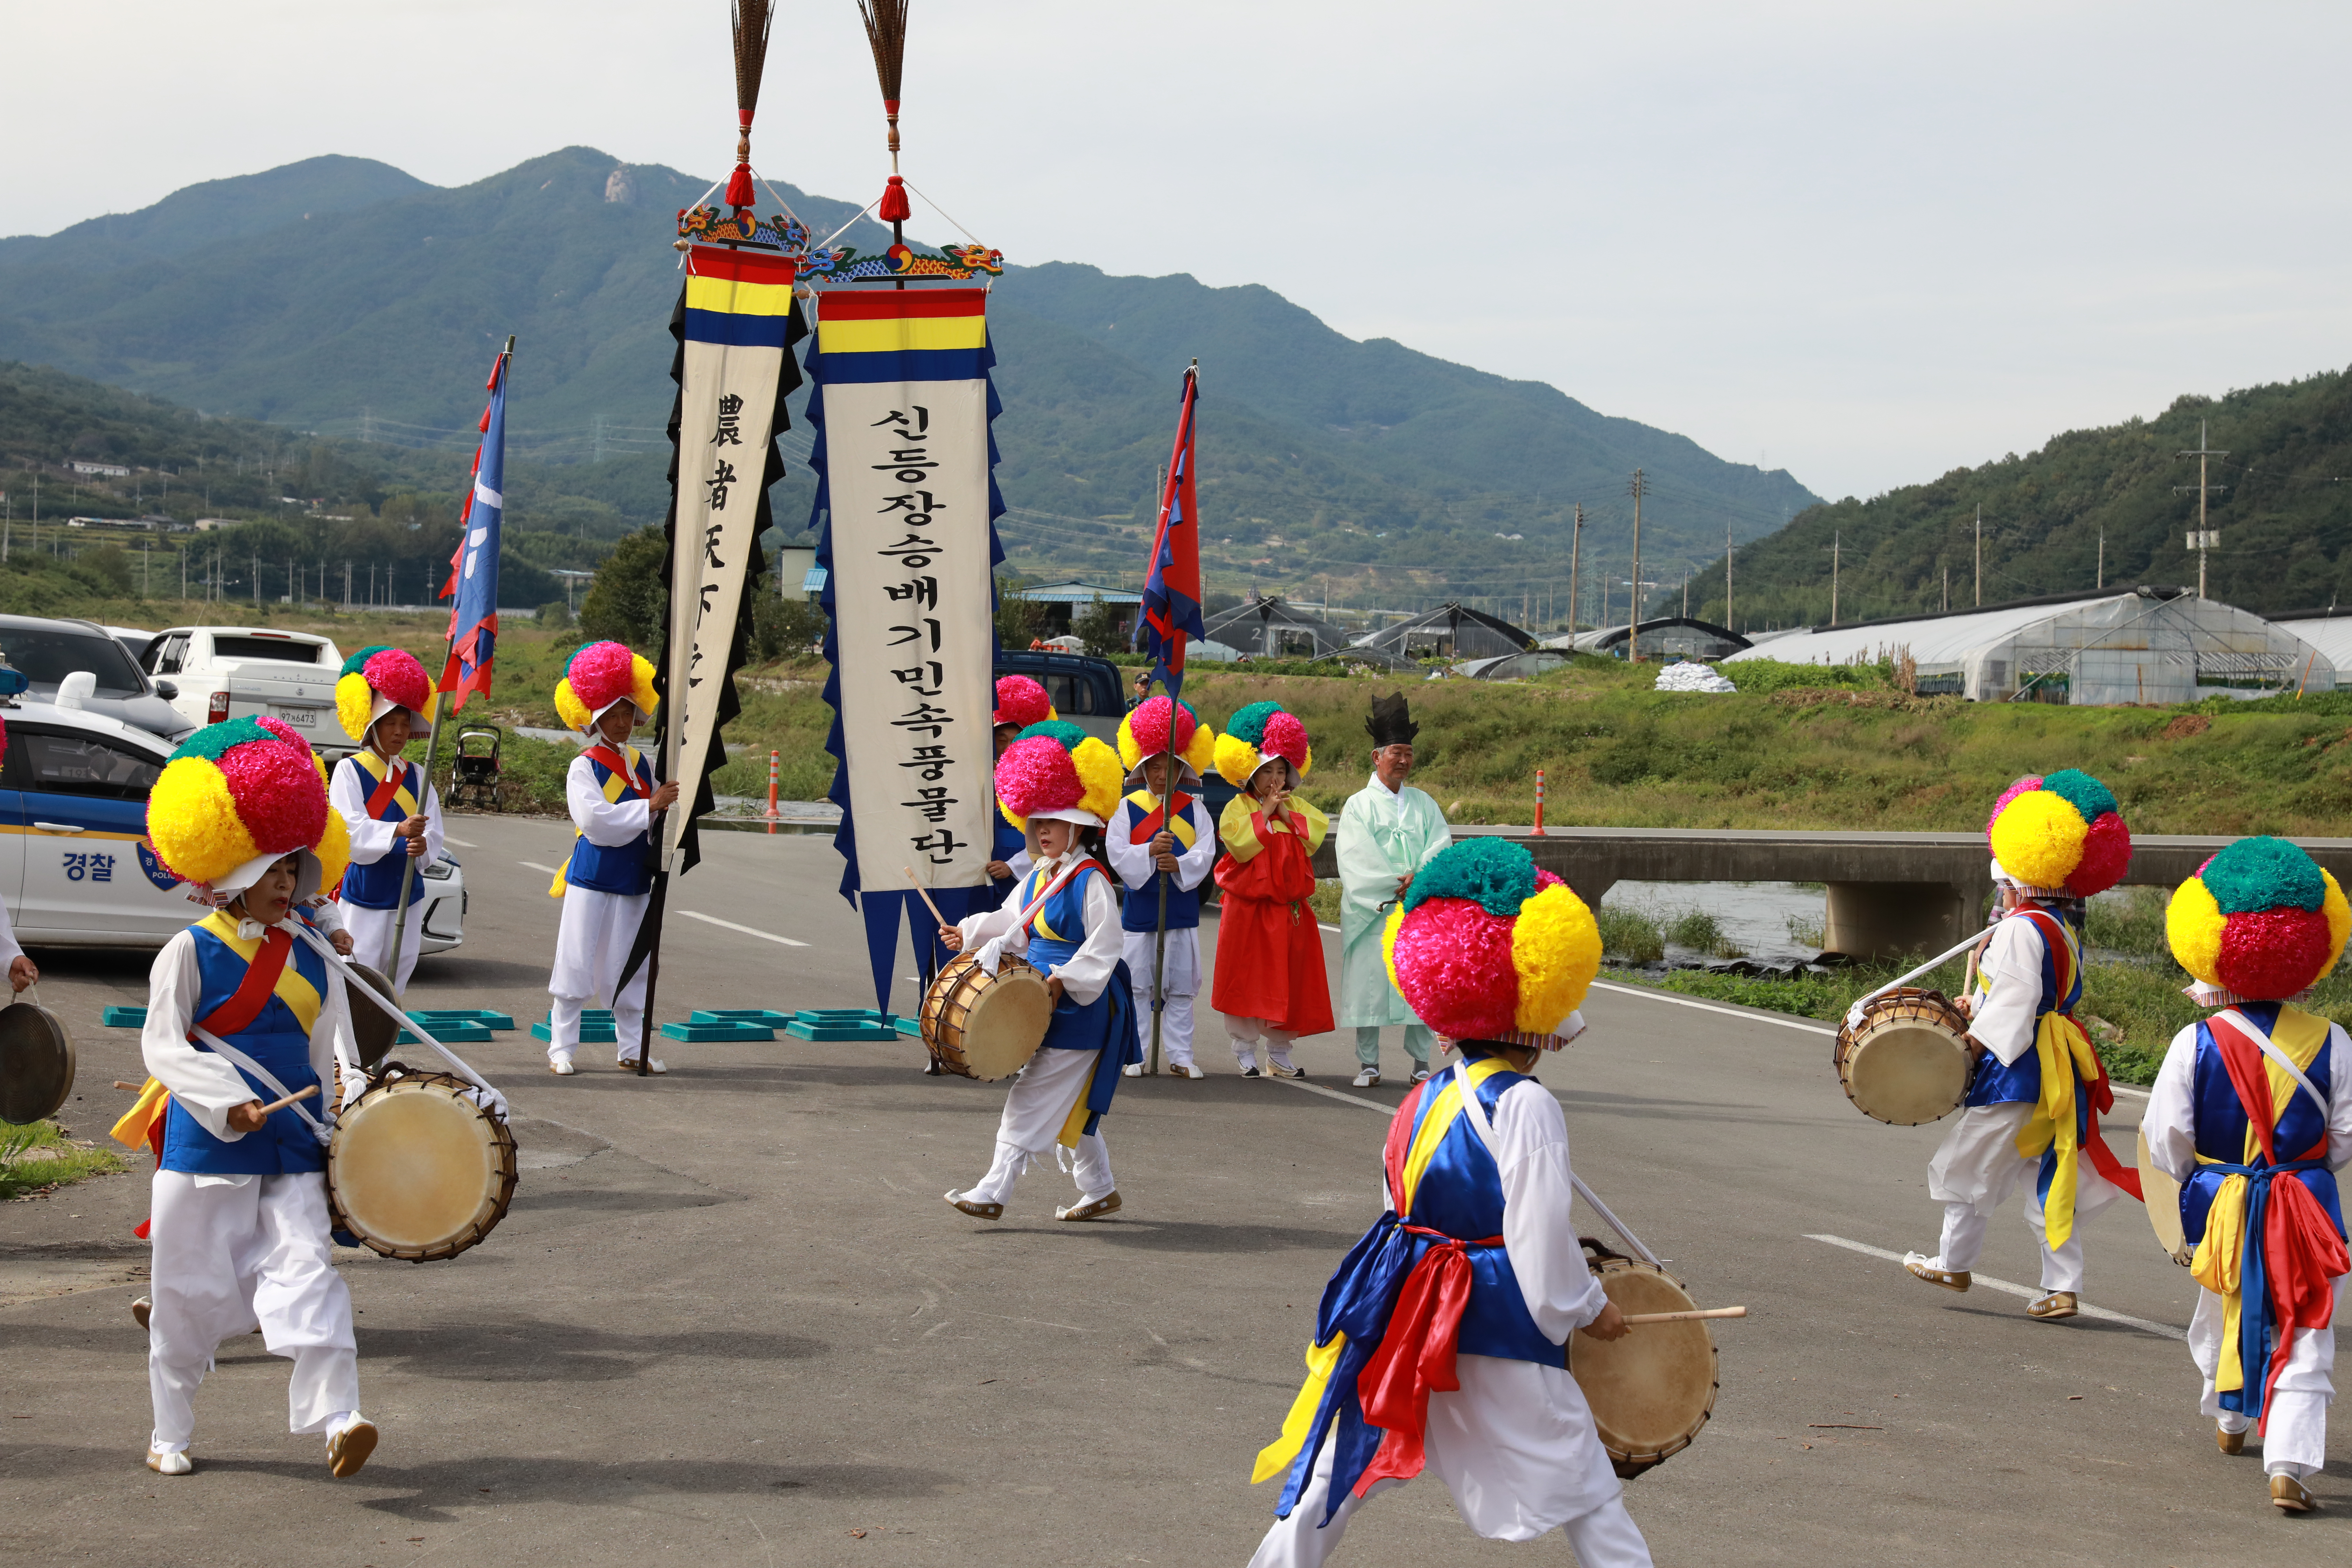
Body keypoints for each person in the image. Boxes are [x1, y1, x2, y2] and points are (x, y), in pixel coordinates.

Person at [1246, 837, 1650, 1567]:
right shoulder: (1525, 1102)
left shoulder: (1423, 1095)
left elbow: (1396, 1199)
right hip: (1490, 1310)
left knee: (1347, 1463)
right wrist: (1590, 1306)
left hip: (1406, 1303)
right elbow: (1536, 1234)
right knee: (1586, 1481)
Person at [124, 715, 373, 1479]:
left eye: (293, 871)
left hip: (292, 1140)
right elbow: (162, 1046)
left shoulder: (310, 957)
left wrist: (346, 1110)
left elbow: (330, 1046)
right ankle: (170, 1429)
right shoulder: (188, 949)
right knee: (188, 1294)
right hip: (207, 1145)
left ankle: (341, 1416)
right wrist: (224, 1099)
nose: (287, 884)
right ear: (234, 875)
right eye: (273, 871)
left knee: (309, 1270)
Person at [2142, 836, 2352, 1513]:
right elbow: (2345, 1136)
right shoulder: (2336, 1040)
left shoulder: (2193, 1040)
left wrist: (2199, 1182)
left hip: (2224, 1197)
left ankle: (2232, 1416)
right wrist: (2304, 1170)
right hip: (2307, 1201)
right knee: (2307, 1320)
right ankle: (2289, 1464)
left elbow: (2167, 1137)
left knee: (2222, 1305)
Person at [1904, 771, 2137, 1319]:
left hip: (2020, 1070)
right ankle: (2062, 1286)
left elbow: (2014, 1004)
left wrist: (1970, 1045)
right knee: (2047, 1175)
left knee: (1969, 1165)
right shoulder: (2060, 926)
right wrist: (1978, 1007)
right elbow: (2031, 996)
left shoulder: (2015, 929)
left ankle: (1953, 1262)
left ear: (2015, 884)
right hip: (2058, 1066)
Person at [942, 720, 1141, 1222]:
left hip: (1080, 1005)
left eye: (1055, 821)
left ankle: (994, 1190)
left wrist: (1062, 980)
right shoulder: (1041, 875)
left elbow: (1107, 945)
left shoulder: (1091, 879)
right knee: (1067, 1104)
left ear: (1079, 827)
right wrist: (968, 933)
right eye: (1039, 822)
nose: (1043, 830)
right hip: (1043, 997)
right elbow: (1012, 920)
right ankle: (1099, 1187)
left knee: (1032, 1095)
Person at [542, 642, 679, 1076]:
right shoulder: (583, 766)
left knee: (629, 965)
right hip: (593, 875)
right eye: (611, 716)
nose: (621, 723)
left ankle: (631, 1048)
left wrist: (667, 814)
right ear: (595, 720)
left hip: (635, 877)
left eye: (627, 714)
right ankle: (561, 1048)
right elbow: (596, 823)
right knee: (577, 960)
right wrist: (652, 806)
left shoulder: (645, 764)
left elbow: (660, 819)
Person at [1211, 702, 1333, 1078]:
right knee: (1247, 981)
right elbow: (1239, 845)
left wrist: (1283, 814)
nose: (1276, 779)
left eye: (1283, 770)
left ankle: (1279, 1052)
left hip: (1290, 910)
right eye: (1268, 771)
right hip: (1249, 909)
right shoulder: (1238, 807)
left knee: (1290, 982)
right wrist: (1264, 813)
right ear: (1252, 772)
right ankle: (1245, 1049)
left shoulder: (1295, 806)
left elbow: (1316, 834)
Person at [1335, 693, 1452, 1087]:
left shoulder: (1425, 804)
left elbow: (1440, 847)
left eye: (1408, 753)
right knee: (1370, 986)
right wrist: (1393, 884)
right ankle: (1369, 1064)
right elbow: (1355, 856)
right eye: (1396, 752)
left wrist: (1420, 878)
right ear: (1376, 757)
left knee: (1419, 985)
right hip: (1374, 910)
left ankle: (1421, 1062)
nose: (1403, 760)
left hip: (1416, 909)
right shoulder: (1358, 806)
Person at [1106, 696, 1218, 1078]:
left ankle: (1181, 1055)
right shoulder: (1128, 807)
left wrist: (1180, 865)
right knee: (1138, 985)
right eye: (1153, 767)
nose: (1160, 775)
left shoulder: (1195, 808)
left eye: (1167, 767)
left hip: (1181, 912)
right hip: (1141, 911)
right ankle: (1136, 1054)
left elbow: (1207, 851)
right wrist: (1150, 853)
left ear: (1179, 769)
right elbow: (1116, 852)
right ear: (1143, 769)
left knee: (1182, 987)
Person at [329, 645, 444, 992]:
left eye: (405, 723)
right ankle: (350, 1045)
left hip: (408, 889)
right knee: (358, 971)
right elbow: (348, 828)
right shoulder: (349, 770)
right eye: (390, 723)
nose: (399, 731)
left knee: (400, 970)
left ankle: (385, 1045)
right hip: (366, 886)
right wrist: (397, 829)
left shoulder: (419, 775)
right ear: (372, 725)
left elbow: (435, 830)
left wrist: (423, 844)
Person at [985, 676, 1053, 908]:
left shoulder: (1037, 782)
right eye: (1000, 739)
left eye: (1014, 740)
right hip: (980, 871)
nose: (1006, 746)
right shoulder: (978, 778)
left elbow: (1045, 833)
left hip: (1020, 875)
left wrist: (1013, 866)